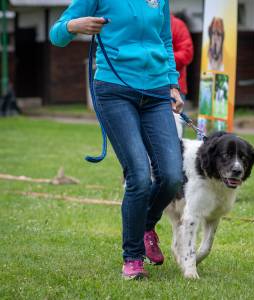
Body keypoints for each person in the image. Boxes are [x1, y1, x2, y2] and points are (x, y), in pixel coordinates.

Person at [50, 0, 184, 280]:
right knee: (137, 175)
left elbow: (165, 40)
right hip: (115, 90)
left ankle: (146, 225)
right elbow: (56, 34)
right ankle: (133, 258)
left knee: (172, 175)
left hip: (158, 92)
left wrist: (173, 84)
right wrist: (74, 26)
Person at [170, 13, 193, 136]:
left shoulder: (177, 25)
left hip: (175, 87)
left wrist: (161, 58)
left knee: (176, 133)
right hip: (147, 86)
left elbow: (187, 54)